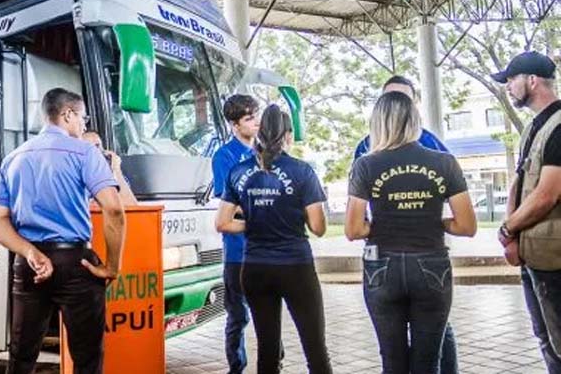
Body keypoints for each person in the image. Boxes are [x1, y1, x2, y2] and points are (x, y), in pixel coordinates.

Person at [0, 88, 126, 374]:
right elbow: (114, 210)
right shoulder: (85, 152)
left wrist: (29, 252)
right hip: (77, 263)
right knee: (87, 359)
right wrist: (112, 266)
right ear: (67, 114)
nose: (84, 125)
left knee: (21, 356)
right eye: (83, 118)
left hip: (29, 265)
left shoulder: (14, 158)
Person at [345, 92, 476, 374]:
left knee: (392, 361)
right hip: (431, 265)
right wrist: (436, 222)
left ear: (378, 123)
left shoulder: (365, 165)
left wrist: (382, 224)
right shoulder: (445, 162)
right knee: (428, 362)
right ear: (415, 121)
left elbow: (354, 229)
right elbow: (467, 226)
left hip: (382, 266)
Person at [216, 104, 332, 374]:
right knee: (315, 348)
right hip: (295, 267)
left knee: (267, 351)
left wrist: (255, 221)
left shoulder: (239, 171)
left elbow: (222, 222)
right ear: (287, 135)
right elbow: (318, 227)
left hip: (255, 268)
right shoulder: (302, 171)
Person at [492, 51, 561, 373]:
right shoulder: (534, 127)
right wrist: (511, 235)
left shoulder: (559, 128)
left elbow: (547, 194)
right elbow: (519, 184)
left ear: (532, 80)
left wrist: (508, 229)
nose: (508, 86)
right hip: (535, 256)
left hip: (554, 259)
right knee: (546, 339)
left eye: (511, 79)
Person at [212, 94, 261, 374]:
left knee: (268, 314)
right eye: (249, 118)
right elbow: (228, 204)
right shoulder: (224, 156)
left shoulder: (266, 152)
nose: (256, 123)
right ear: (234, 124)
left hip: (265, 250)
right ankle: (236, 367)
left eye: (256, 116)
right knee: (238, 316)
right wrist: (261, 210)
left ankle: (274, 361)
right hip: (236, 251)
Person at [82, 131, 138, 206]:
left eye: (98, 146)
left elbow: (131, 205)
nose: (99, 151)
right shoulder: (75, 179)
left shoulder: (112, 177)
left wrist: (116, 170)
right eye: (91, 147)